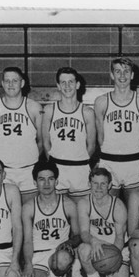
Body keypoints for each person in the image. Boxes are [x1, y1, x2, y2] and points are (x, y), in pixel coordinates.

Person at [20, 161, 81, 277]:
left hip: (59, 256)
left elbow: (78, 236)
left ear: (57, 181)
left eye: (51, 179)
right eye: (42, 179)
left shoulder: (68, 204)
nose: (46, 183)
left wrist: (69, 242)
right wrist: (28, 264)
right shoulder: (28, 207)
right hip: (38, 258)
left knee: (61, 259)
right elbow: (27, 241)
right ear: (35, 182)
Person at [94, 57, 139, 202]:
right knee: (107, 209)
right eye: (118, 71)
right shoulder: (101, 102)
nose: (122, 76)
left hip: (133, 163)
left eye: (126, 71)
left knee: (134, 210)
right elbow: (100, 138)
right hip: (109, 162)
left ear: (132, 75)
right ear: (112, 75)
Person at [0, 67, 42, 199]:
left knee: (29, 213)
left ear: (22, 83)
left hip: (28, 170)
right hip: (3, 171)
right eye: (7, 81)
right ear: (2, 83)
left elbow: (41, 141)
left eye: (14, 81)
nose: (10, 84)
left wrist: (29, 158)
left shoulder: (34, 107)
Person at [77, 168, 130, 277]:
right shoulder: (84, 203)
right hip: (96, 248)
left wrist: (111, 261)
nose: (99, 188)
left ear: (110, 185)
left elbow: (119, 237)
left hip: (116, 250)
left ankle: (118, 275)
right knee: (83, 249)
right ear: (89, 184)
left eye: (103, 184)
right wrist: (94, 241)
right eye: (95, 183)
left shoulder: (118, 206)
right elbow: (83, 232)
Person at [42, 66, 95, 200]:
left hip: (80, 170)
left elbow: (92, 146)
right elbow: (45, 142)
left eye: (71, 82)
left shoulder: (87, 112)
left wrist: (79, 161)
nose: (67, 86)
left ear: (77, 85)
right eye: (63, 82)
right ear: (58, 86)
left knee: (81, 215)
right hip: (57, 168)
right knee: (59, 215)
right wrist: (53, 163)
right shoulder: (49, 110)